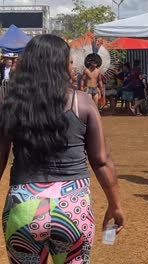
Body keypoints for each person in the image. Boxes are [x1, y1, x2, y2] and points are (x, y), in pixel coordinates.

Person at [0, 34, 124, 263]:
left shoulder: (11, 106)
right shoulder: (83, 103)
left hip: (23, 208)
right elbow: (101, 160)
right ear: (58, 65)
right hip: (72, 208)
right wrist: (115, 204)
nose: (72, 67)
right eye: (69, 62)